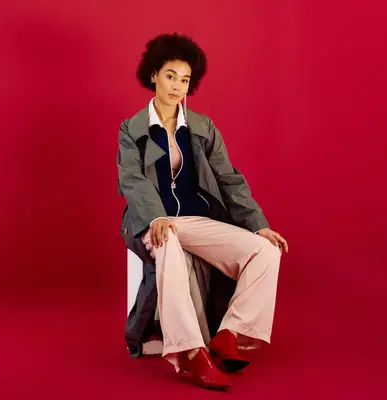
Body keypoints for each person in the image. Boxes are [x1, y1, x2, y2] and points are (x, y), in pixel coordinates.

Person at [117, 33, 289, 391]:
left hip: (197, 220)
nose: (178, 86)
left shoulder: (202, 127)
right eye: (170, 76)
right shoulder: (131, 130)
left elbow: (228, 178)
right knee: (167, 246)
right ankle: (192, 352)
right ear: (153, 75)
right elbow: (131, 179)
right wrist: (155, 218)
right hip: (154, 222)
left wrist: (258, 225)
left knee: (266, 251)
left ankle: (230, 333)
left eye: (185, 79)